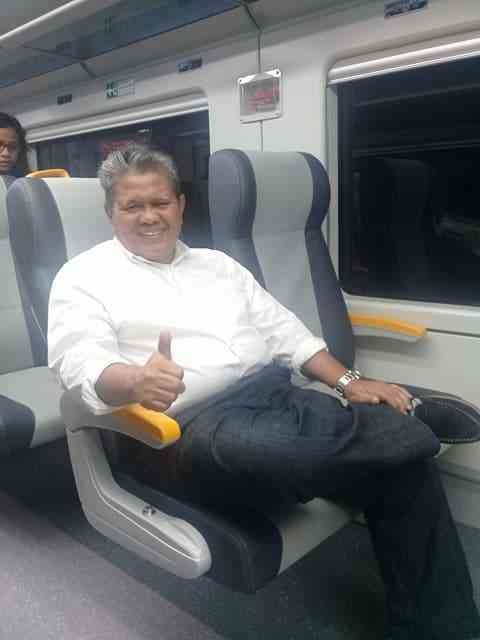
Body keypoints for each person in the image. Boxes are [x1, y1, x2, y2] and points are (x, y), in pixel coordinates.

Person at [48, 146, 480, 640]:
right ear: (111, 212)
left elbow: (285, 332)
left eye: (161, 202)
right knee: (277, 446)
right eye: (133, 206)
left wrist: (350, 382)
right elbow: (79, 362)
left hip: (272, 396)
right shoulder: (83, 277)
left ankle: (440, 629)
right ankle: (409, 428)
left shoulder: (218, 265)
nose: (150, 216)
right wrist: (134, 380)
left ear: (181, 206)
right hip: (186, 427)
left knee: (404, 469)